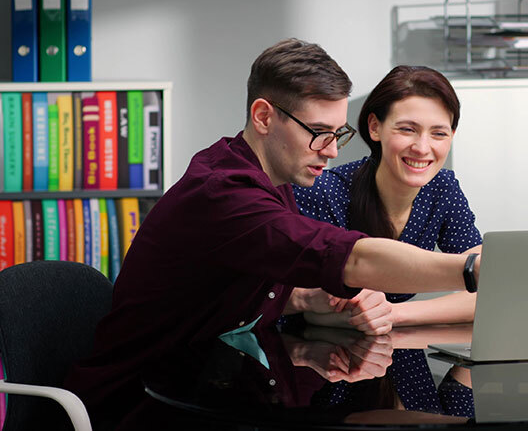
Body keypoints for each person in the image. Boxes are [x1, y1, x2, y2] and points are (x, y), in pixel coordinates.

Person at [64, 39, 481, 428]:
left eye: (337, 134)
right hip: (136, 407)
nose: (333, 150)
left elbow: (239, 285)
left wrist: (309, 297)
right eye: (319, 132)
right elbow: (350, 257)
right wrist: (471, 269)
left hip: (208, 383)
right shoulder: (223, 193)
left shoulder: (273, 178)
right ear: (264, 117)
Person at [291, 66, 482, 331]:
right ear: (374, 127)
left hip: (399, 347)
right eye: (407, 129)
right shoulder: (322, 191)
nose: (423, 147)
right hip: (313, 355)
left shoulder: (442, 187)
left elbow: (488, 290)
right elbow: (292, 301)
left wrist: (394, 314)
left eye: (439, 133)